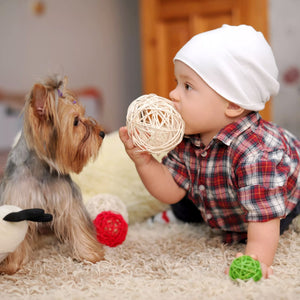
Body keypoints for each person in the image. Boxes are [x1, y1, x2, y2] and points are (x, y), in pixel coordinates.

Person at [119, 24, 300, 278]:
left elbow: (263, 217)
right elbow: (172, 189)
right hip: (217, 197)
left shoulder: (257, 155)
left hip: (274, 199)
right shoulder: (188, 136)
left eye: (187, 87)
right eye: (176, 83)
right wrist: (144, 161)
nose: (173, 94)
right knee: (186, 204)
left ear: (233, 104)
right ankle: (185, 214)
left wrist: (256, 258)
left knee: (270, 223)